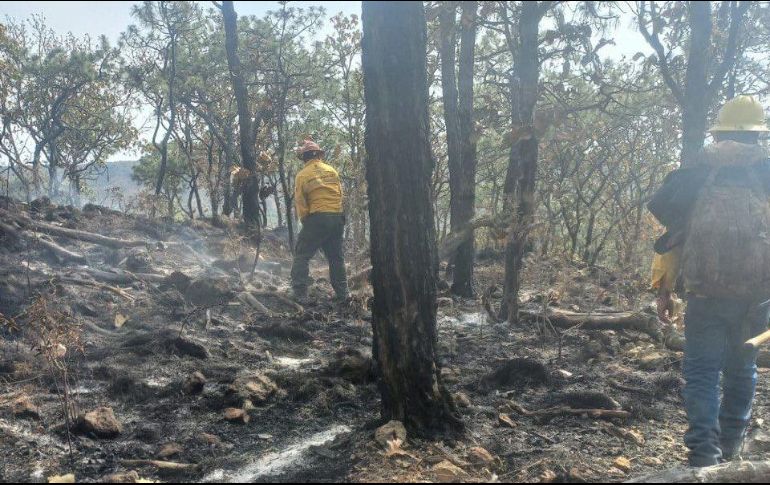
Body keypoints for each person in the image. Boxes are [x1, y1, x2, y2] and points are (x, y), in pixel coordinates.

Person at [651, 95, 770, 468]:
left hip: (704, 291)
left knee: (702, 370)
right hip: (758, 294)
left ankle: (704, 452)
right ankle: (731, 446)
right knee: (743, 367)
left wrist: (664, 288)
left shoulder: (693, 175)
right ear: (758, 135)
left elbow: (673, 235)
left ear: (719, 134)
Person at [289, 139, 349, 303]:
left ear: (304, 157)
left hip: (318, 217)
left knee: (302, 254)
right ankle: (343, 295)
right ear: (319, 155)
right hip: (337, 217)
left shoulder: (302, 175)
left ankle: (299, 293)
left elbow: (301, 202)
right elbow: (340, 194)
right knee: (336, 257)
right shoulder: (332, 171)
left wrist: (306, 221)